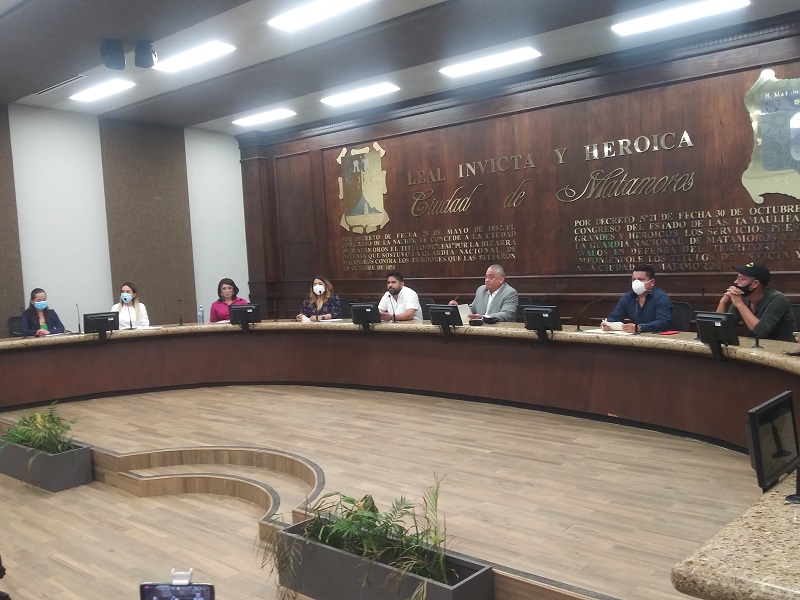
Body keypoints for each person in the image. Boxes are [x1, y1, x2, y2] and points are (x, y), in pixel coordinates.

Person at [715, 262, 796, 342]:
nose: (735, 282)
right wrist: (722, 302)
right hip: (758, 346)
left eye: (741, 279)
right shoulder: (742, 298)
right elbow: (721, 328)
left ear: (755, 283)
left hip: (783, 347)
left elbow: (760, 332)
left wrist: (740, 304)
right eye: (737, 278)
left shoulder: (778, 299)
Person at [603, 264, 672, 333]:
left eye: (640, 279)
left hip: (656, 336)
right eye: (634, 280)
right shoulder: (628, 297)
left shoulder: (661, 297)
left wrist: (640, 327)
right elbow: (614, 317)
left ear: (652, 282)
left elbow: (663, 322)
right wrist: (607, 324)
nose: (636, 283)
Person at [454, 264, 518, 322]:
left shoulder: (510, 293)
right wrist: (457, 308)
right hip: (480, 328)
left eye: (491, 277)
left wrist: (484, 317)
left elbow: (507, 314)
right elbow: (472, 309)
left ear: (501, 279)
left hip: (500, 329)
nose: (487, 280)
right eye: (486, 277)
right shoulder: (481, 290)